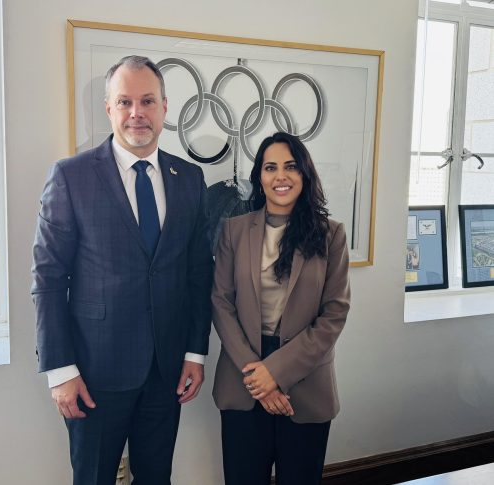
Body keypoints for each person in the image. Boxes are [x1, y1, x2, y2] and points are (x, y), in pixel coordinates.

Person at [31, 55, 213, 485]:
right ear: (109, 109)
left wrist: (195, 352)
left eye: (147, 101)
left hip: (166, 371)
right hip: (94, 374)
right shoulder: (71, 177)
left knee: (156, 478)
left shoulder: (189, 178)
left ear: (164, 107)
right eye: (125, 102)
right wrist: (60, 370)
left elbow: (198, 274)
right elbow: (48, 279)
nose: (137, 112)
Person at [211, 132, 350, 485]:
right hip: (243, 377)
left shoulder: (330, 235)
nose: (281, 176)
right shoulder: (234, 231)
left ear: (305, 173)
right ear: (260, 176)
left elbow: (334, 314)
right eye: (270, 167)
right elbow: (221, 302)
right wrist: (258, 376)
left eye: (291, 167)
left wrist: (276, 372)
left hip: (305, 381)